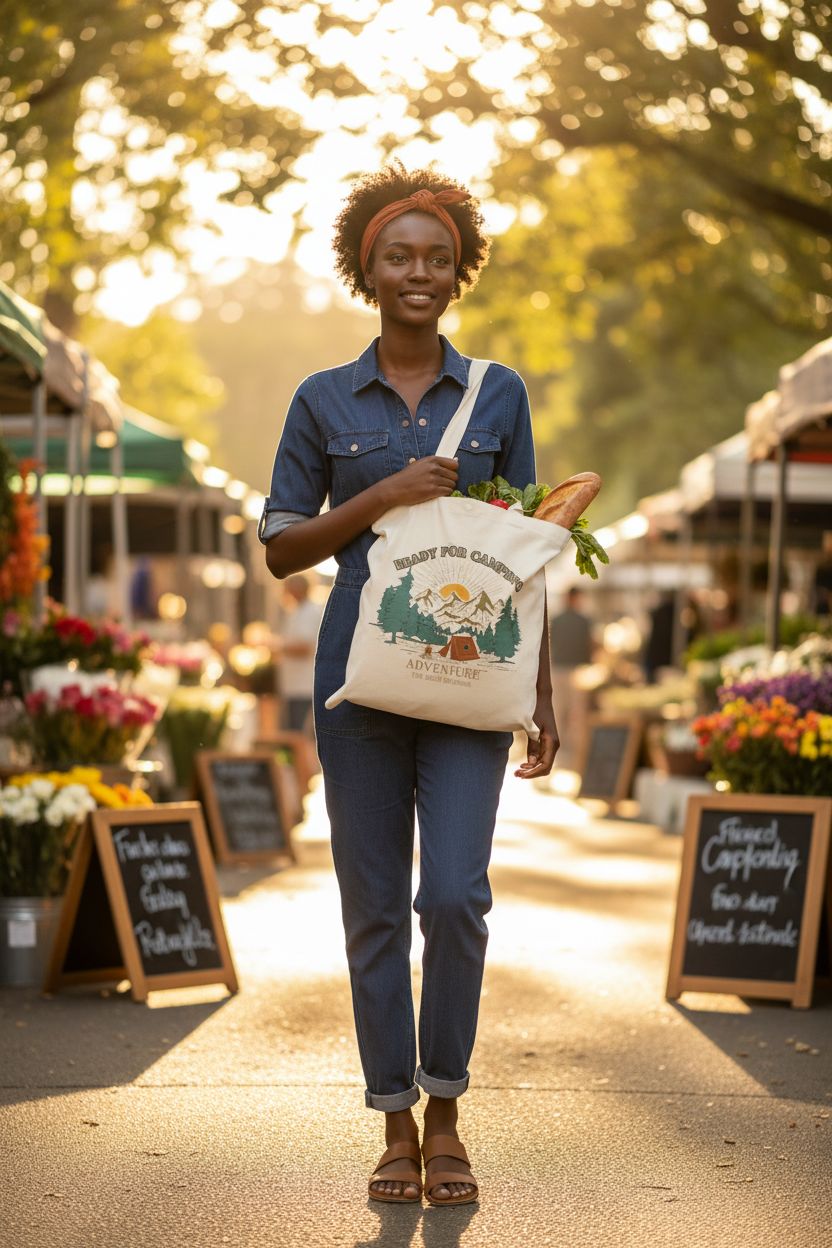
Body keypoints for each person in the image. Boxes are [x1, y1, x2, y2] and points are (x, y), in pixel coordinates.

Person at [260, 165, 559, 1208]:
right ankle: (394, 1126)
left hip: (473, 676)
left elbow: (529, 554)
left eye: (437, 256)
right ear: (367, 269)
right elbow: (282, 550)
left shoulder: (500, 394)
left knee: (456, 898)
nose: (418, 272)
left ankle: (446, 1109)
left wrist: (543, 695)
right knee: (377, 908)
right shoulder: (321, 401)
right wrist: (380, 492)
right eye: (400, 256)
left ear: (459, 269)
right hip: (359, 684)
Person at [549, 586, 593, 771]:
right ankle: (569, 756)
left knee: (562, 713)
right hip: (572, 670)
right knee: (574, 714)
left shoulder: (558, 620)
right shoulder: (583, 621)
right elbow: (590, 646)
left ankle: (561, 755)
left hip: (563, 669)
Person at [275, 573, 323, 734]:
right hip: (295, 684)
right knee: (292, 732)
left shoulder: (309, 612)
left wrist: (277, 646)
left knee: (300, 735)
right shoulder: (297, 612)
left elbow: (305, 647)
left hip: (304, 685)